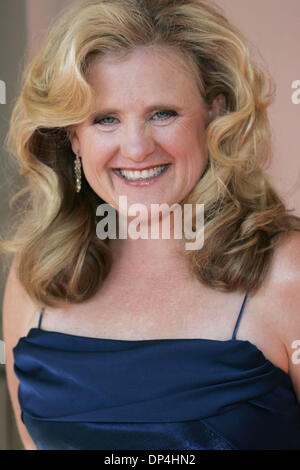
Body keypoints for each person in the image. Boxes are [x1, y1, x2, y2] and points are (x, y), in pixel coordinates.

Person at [1, 0, 300, 451]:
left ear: (215, 113)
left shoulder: (287, 272)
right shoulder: (39, 272)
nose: (137, 148)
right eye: (105, 119)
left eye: (163, 113)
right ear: (73, 136)